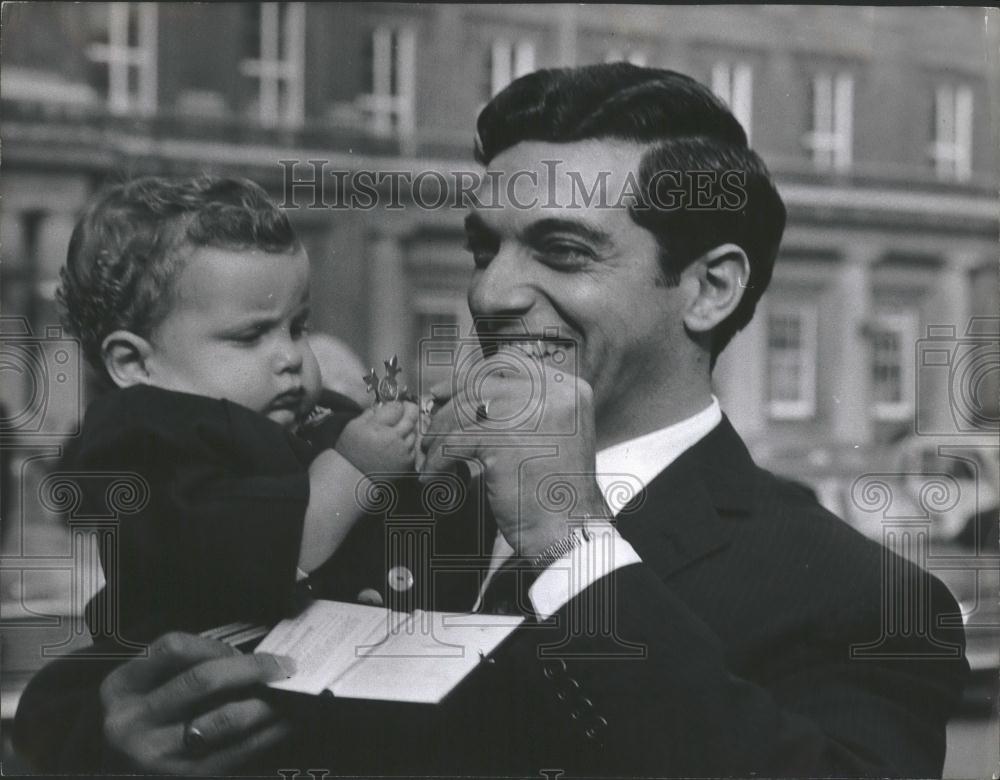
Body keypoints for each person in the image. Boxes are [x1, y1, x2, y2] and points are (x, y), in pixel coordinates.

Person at [14, 65, 969, 777]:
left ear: (710, 288)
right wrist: (117, 732)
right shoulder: (366, 475)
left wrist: (571, 541)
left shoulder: (858, 599)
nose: (493, 292)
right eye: (485, 247)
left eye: (561, 250)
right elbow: (85, 678)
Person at [52, 175, 419, 646]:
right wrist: (357, 469)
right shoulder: (149, 443)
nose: (289, 356)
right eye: (250, 336)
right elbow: (263, 555)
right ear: (135, 363)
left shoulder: (297, 409)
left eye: (297, 326)